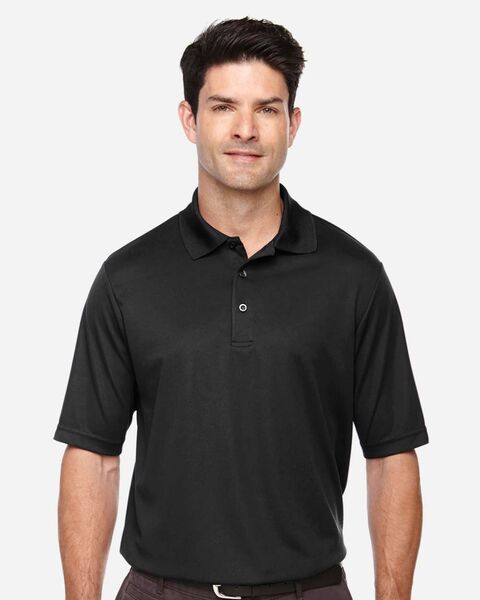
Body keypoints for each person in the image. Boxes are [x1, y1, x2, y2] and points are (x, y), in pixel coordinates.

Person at [53, 17, 429, 600]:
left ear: (293, 124)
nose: (246, 130)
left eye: (267, 109)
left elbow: (390, 456)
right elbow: (93, 457)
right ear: (190, 119)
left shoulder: (355, 277)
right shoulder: (127, 279)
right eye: (224, 106)